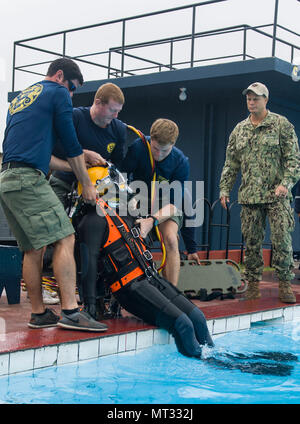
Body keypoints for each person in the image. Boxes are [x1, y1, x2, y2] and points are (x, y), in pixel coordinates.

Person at [0, 58, 107, 331]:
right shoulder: (57, 92)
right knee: (65, 237)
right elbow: (70, 144)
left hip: (9, 179)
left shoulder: (24, 97)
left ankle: (39, 314)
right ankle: (71, 311)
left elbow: (44, 158)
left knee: (33, 248)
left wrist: (82, 157)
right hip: (28, 181)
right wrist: (88, 185)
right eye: (72, 88)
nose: (71, 96)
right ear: (60, 76)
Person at [75, 166, 213, 357]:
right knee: (183, 325)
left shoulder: (124, 213)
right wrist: (89, 306)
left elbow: (167, 213)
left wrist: (151, 220)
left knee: (198, 318)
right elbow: (88, 267)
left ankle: (215, 359)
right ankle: (205, 368)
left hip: (150, 277)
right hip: (130, 288)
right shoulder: (91, 221)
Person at [219, 82, 300, 303]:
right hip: (250, 196)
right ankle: (253, 284)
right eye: (249, 98)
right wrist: (225, 188)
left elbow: (294, 160)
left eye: (256, 98)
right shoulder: (239, 130)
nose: (252, 102)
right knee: (252, 242)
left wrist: (285, 183)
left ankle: (285, 283)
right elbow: (231, 163)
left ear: (266, 100)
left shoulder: (282, 125)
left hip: (277, 196)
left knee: (282, 240)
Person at [121, 118, 200, 287]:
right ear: (151, 140)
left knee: (171, 239)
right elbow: (120, 174)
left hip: (166, 207)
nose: (158, 155)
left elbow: (176, 205)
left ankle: (172, 291)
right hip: (138, 200)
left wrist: (191, 248)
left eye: (164, 151)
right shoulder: (139, 147)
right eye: (155, 149)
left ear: (173, 144)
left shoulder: (180, 162)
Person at [49, 82, 126, 208]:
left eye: (118, 111)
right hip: (64, 182)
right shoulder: (75, 117)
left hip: (99, 188)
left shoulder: (119, 129)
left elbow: (118, 164)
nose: (116, 115)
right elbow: (55, 148)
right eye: (112, 110)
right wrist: (84, 154)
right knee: (55, 224)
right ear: (98, 102)